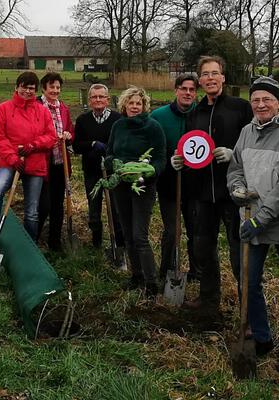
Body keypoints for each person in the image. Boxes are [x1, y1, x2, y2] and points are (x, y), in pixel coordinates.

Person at [226, 77, 279, 372]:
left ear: (278, 102)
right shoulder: (246, 132)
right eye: (255, 100)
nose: (261, 105)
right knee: (249, 283)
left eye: (267, 99)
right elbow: (235, 167)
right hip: (250, 218)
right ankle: (262, 338)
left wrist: (261, 218)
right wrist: (237, 190)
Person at [173, 55, 252, 320]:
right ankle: (209, 299)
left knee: (237, 252)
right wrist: (180, 158)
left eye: (214, 73)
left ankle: (248, 308)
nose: (210, 78)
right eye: (205, 74)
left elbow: (255, 143)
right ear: (200, 79)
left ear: (223, 77)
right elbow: (190, 147)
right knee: (203, 248)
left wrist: (235, 154)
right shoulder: (195, 113)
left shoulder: (240, 108)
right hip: (202, 193)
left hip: (232, 192)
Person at [0, 71, 57, 256]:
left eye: (31, 88)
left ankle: (29, 245)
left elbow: (51, 136)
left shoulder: (42, 110)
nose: (28, 91)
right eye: (24, 87)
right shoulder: (4, 108)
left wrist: (33, 145)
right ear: (17, 87)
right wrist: (12, 158)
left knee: (32, 211)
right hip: (10, 162)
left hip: (35, 164)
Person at [106, 87, 166, 297]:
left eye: (138, 103)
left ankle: (151, 284)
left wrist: (149, 171)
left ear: (144, 106)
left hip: (142, 187)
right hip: (121, 185)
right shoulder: (118, 126)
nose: (134, 107)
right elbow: (109, 153)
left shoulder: (153, 127)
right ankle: (136, 276)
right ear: (124, 105)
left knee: (140, 236)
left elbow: (160, 158)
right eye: (130, 103)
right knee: (128, 234)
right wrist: (114, 164)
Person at [150, 73, 199, 282]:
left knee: (196, 231)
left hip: (195, 185)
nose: (187, 93)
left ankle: (197, 272)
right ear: (176, 90)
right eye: (184, 89)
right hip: (169, 184)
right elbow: (151, 147)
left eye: (192, 90)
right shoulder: (159, 116)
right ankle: (166, 272)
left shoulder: (201, 114)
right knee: (172, 231)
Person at [73, 84, 126, 265]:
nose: (98, 100)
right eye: (94, 97)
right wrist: (92, 144)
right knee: (94, 211)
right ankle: (96, 243)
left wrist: (111, 153)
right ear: (89, 100)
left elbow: (122, 144)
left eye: (101, 97)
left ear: (108, 99)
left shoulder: (118, 120)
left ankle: (119, 246)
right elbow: (77, 146)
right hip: (92, 172)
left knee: (116, 211)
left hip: (113, 173)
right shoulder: (82, 120)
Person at [36, 72, 74, 251]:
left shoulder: (63, 109)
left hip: (61, 163)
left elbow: (70, 131)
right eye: (52, 87)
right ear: (44, 88)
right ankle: (33, 239)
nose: (55, 91)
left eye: (58, 87)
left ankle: (55, 242)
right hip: (42, 163)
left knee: (58, 205)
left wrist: (67, 135)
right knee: (43, 204)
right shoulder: (36, 106)